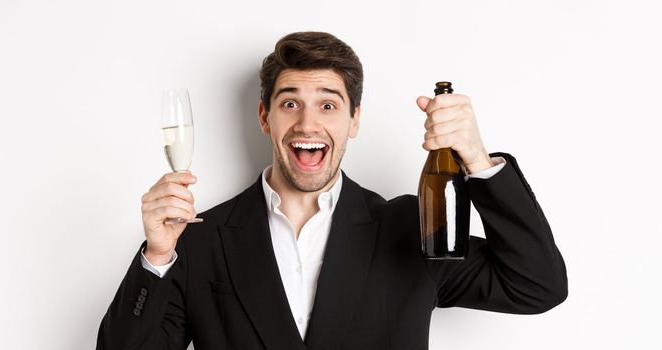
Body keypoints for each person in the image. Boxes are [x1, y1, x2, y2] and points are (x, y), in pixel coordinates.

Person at [96, 31, 567, 350]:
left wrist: (479, 162)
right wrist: (156, 258)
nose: (308, 123)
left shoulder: (410, 228)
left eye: (328, 104)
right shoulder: (199, 240)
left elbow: (537, 286)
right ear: (265, 117)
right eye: (290, 103)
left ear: (354, 120)